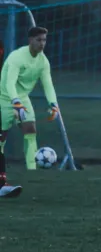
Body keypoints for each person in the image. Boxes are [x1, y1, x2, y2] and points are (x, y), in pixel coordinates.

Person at [0, 27, 60, 198]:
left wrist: (53, 104)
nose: (42, 44)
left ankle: (32, 169)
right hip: (5, 97)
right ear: (30, 40)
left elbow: (48, 84)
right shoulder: (17, 57)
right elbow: (9, 83)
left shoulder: (43, 61)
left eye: (44, 40)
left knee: (30, 130)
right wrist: (15, 102)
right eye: (39, 40)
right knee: (2, 135)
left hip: (23, 98)